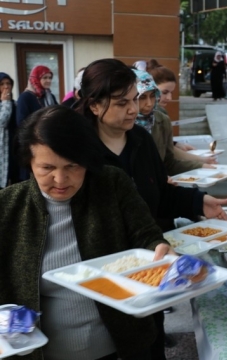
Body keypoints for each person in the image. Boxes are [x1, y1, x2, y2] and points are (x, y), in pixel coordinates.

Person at [0, 106, 172, 360]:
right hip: (41, 352)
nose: (60, 179)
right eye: (47, 167)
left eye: (73, 165)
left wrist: (159, 248)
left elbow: (146, 235)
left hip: (121, 347)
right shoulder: (8, 206)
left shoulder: (112, 184)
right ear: (29, 162)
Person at [75, 58, 227, 233]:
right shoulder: (78, 148)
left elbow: (161, 195)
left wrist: (198, 202)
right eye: (122, 103)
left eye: (134, 99)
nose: (133, 109)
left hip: (152, 247)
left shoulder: (141, 139)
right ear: (94, 105)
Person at [132, 69, 211, 175]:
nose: (149, 103)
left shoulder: (162, 120)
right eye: (142, 97)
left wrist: (201, 165)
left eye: (152, 96)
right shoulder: (122, 124)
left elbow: (169, 162)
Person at [146, 59, 216, 163]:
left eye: (171, 93)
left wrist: (174, 144)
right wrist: (201, 161)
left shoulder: (161, 115)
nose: (169, 98)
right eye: (164, 92)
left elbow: (166, 150)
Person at [0, 72, 17, 188]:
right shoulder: (5, 104)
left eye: (8, 83)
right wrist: (5, 102)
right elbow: (2, 121)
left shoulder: (15, 103)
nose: (6, 87)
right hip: (2, 149)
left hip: (13, 146)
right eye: (2, 84)